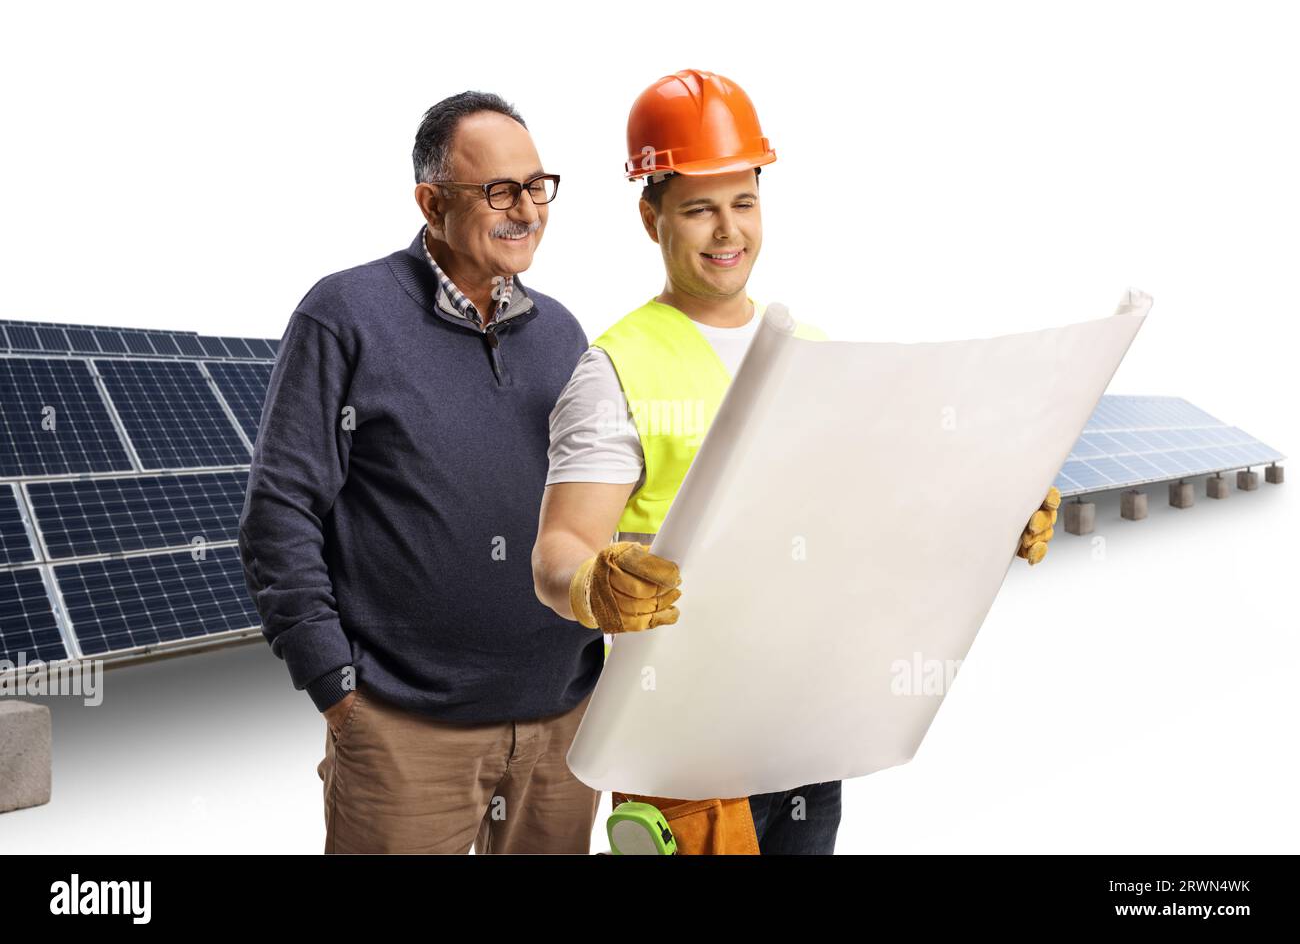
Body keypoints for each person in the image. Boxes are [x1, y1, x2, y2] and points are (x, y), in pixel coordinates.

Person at [532, 69, 1061, 855]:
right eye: (699, 209)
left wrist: (995, 505)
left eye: (743, 202)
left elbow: (877, 511)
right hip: (687, 747)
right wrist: (589, 583)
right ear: (651, 216)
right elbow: (556, 550)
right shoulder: (617, 369)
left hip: (809, 729)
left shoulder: (810, 351)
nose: (727, 231)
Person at [239, 90, 604, 853]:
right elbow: (280, 512)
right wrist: (337, 689)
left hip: (562, 728)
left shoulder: (564, 332)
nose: (527, 210)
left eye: (538, 186)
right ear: (430, 202)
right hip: (405, 735)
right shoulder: (345, 315)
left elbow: (588, 506)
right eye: (499, 190)